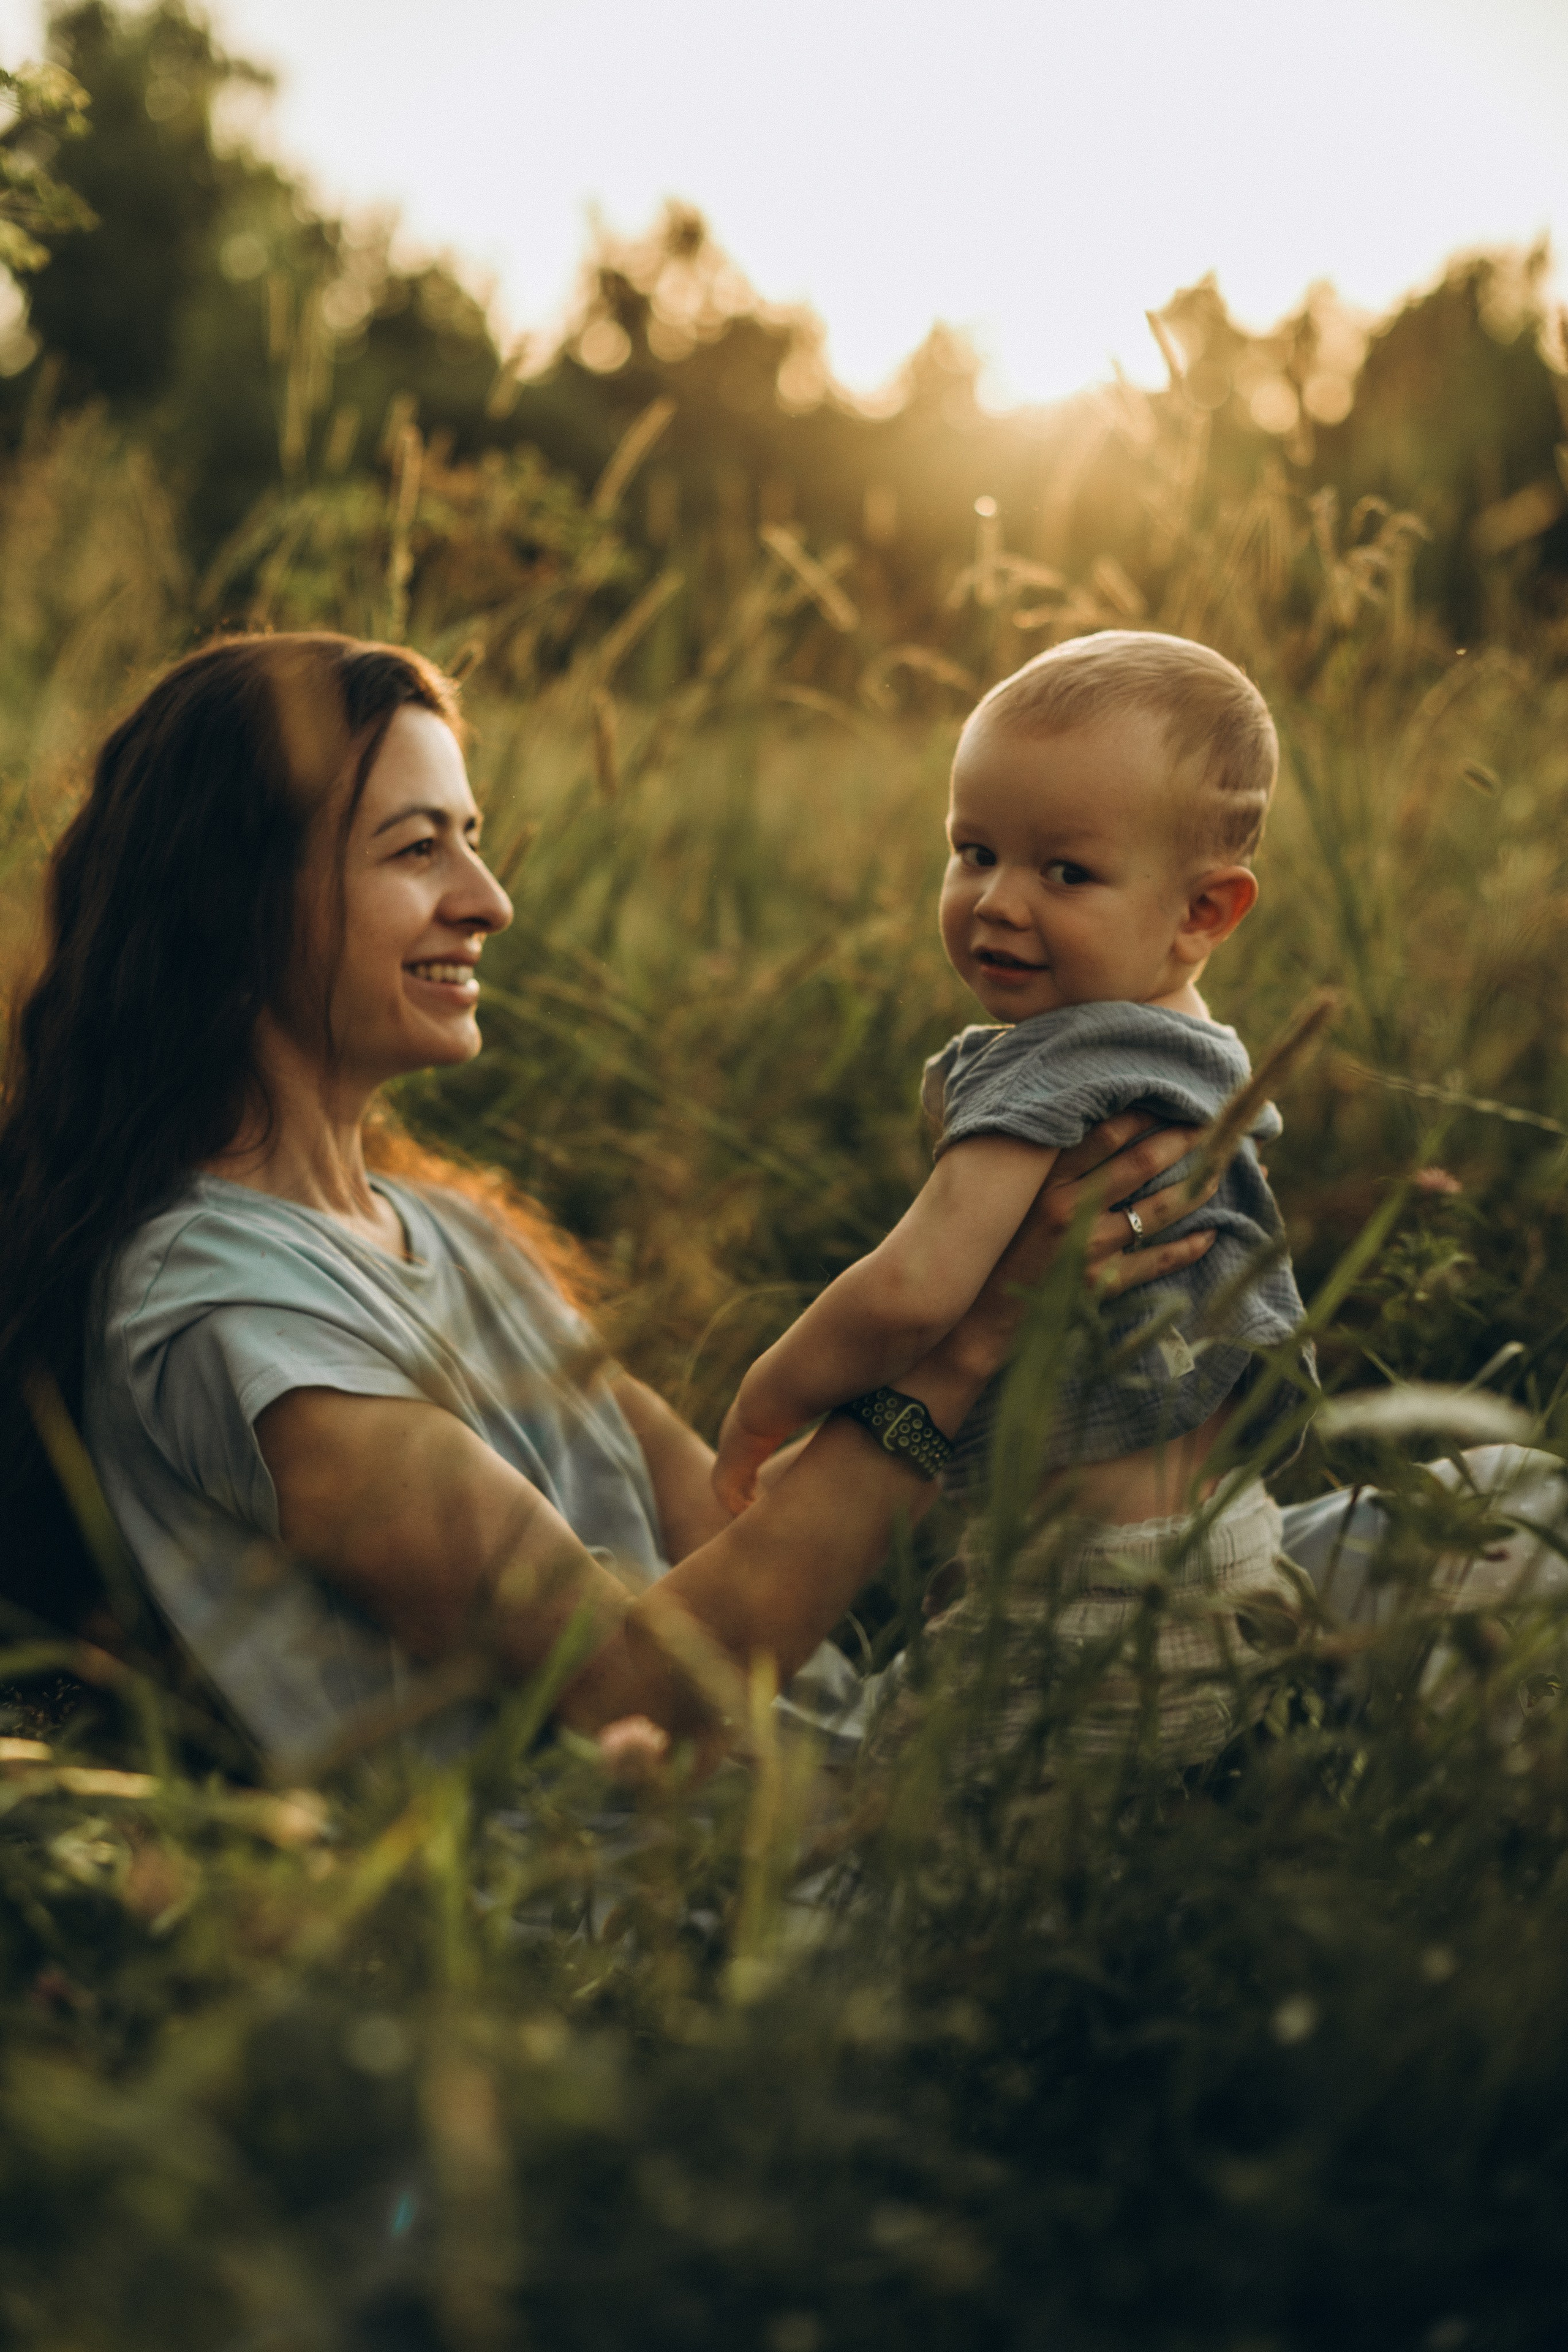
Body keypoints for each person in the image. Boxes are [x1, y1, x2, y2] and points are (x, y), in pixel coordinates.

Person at [0, 631, 1219, 1775]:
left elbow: (736, 1526)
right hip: (671, 1919)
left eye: (470, 839)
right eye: (417, 849)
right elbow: (631, 1686)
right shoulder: (227, 1314)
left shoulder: (453, 1232)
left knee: (1353, 1557)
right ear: (237, 896)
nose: (488, 899)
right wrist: (965, 1342)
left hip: (842, 1769)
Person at [714, 633, 1317, 1763]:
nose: (996, 901)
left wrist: (767, 1395)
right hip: (1224, 1556)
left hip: (1071, 1606)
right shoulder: (1202, 1057)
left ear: (1203, 913)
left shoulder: (1053, 1065)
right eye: (973, 850)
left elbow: (914, 1290)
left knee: (919, 1869)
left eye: (1065, 872)